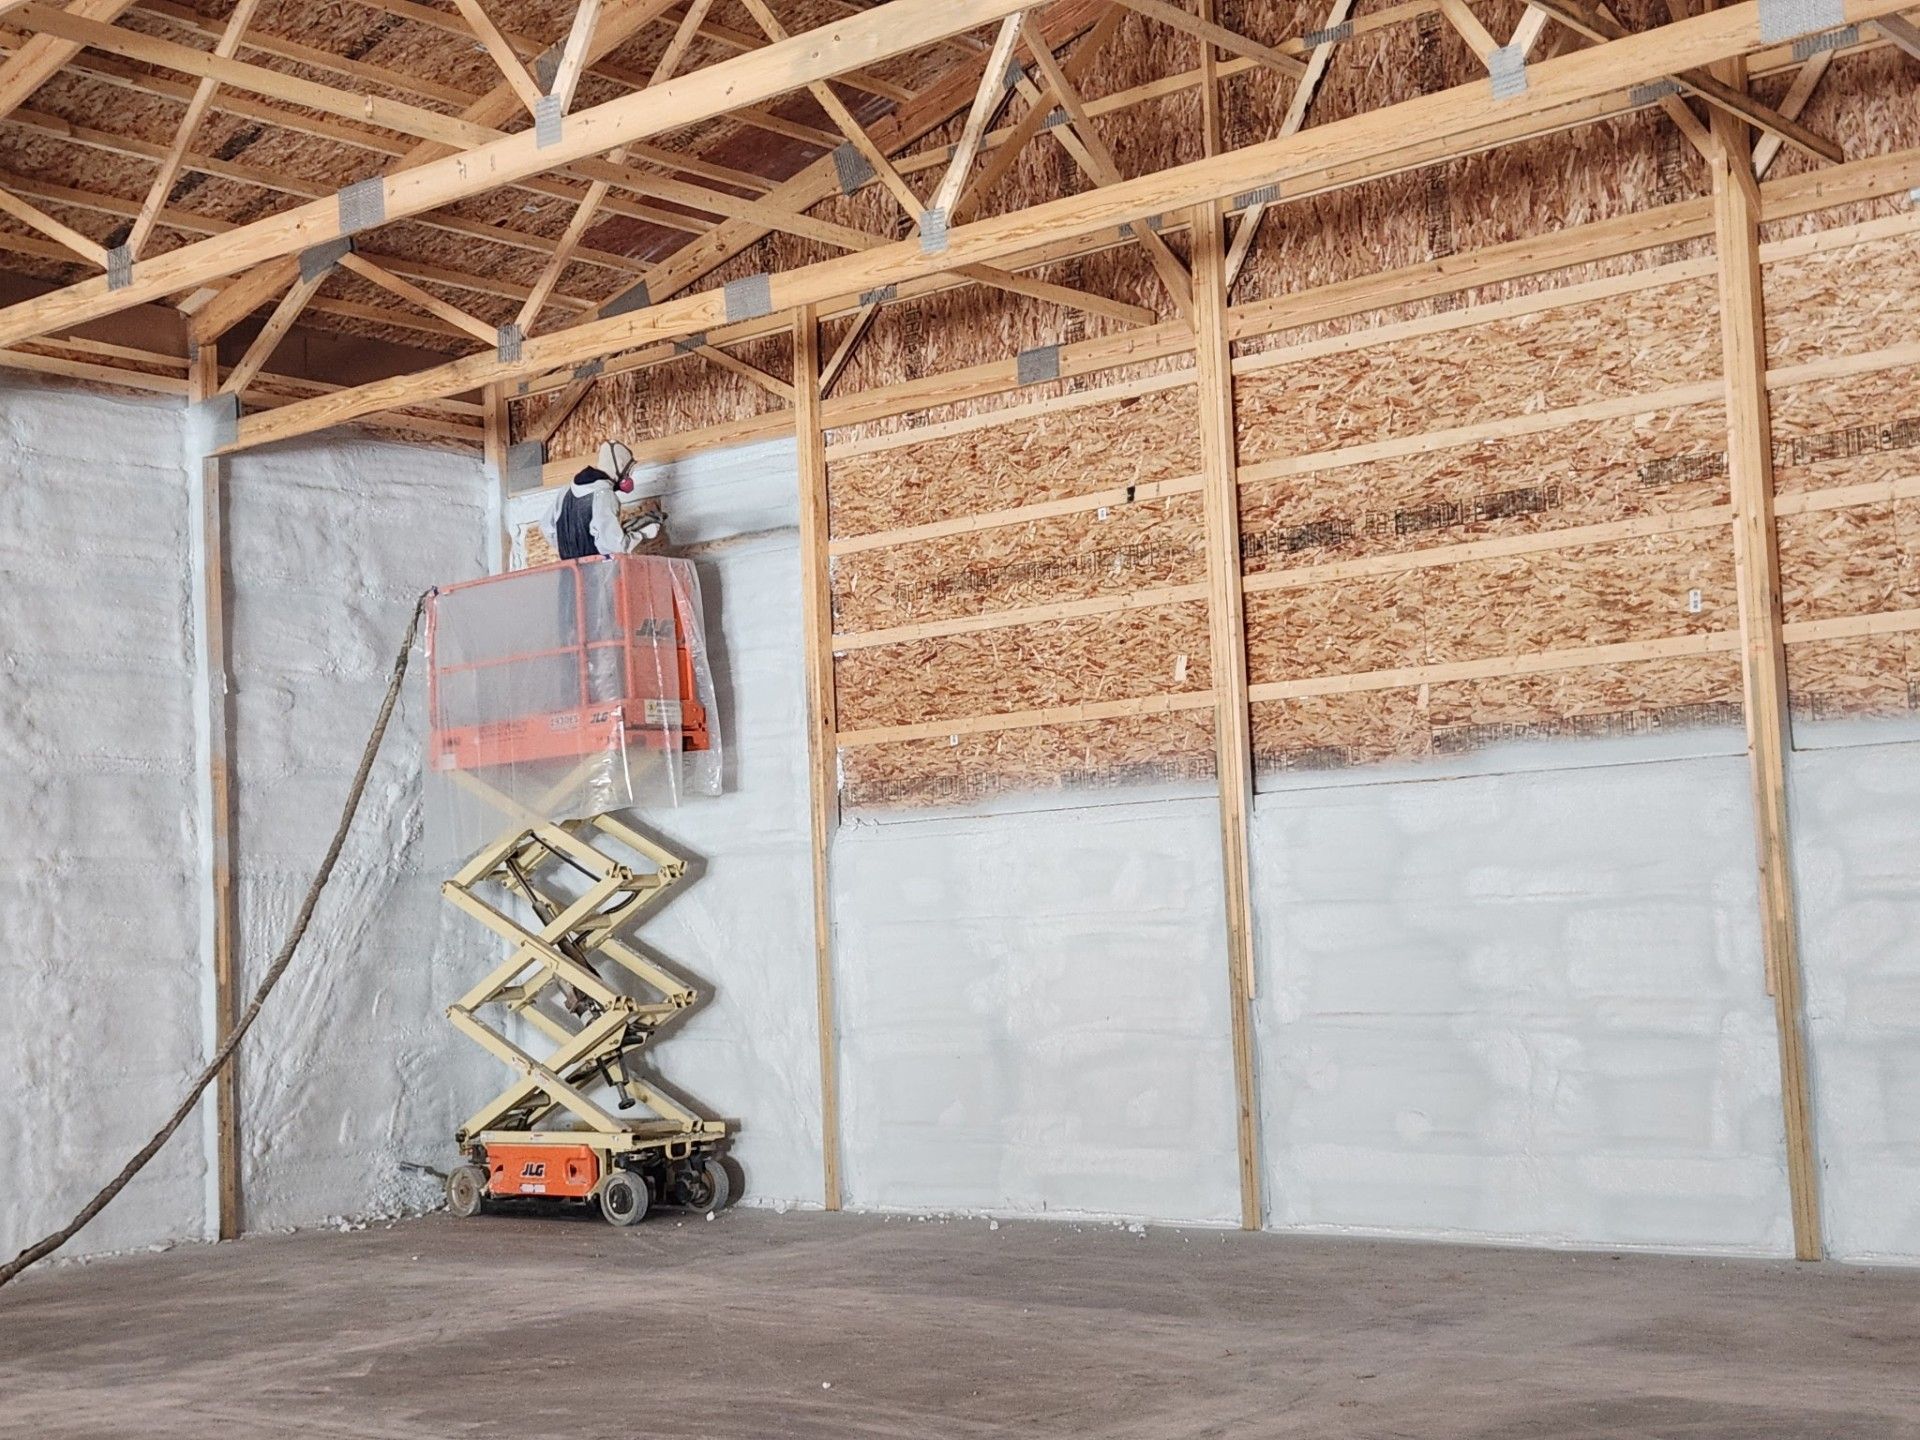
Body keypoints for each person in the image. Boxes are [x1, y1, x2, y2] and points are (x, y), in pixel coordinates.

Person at [539, 440, 638, 560]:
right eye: (628, 472)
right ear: (620, 467)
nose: (628, 478)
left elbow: (546, 526)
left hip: (569, 572)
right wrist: (639, 534)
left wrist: (570, 552)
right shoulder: (605, 495)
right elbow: (613, 546)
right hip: (597, 574)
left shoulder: (566, 491)